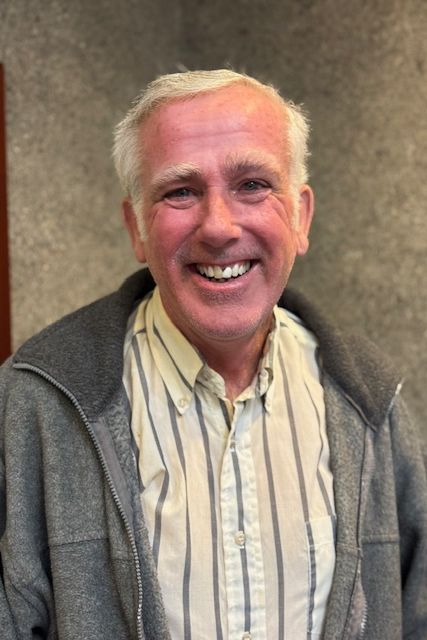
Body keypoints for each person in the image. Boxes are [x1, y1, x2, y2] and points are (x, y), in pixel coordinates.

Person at [0, 69, 426, 640]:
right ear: (136, 228)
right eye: (180, 191)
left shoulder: (372, 403)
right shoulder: (31, 407)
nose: (219, 227)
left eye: (253, 184)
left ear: (300, 216)